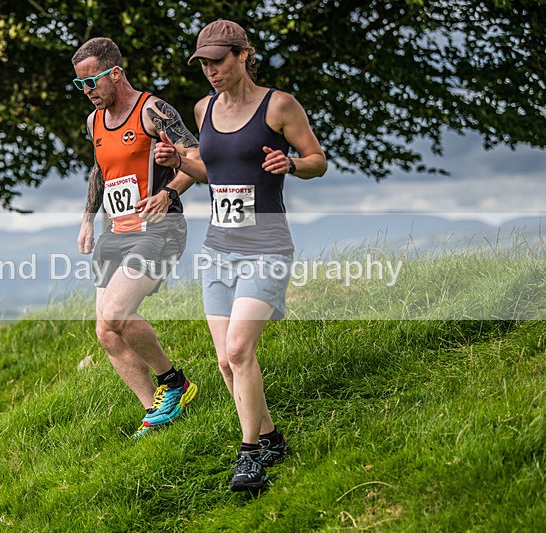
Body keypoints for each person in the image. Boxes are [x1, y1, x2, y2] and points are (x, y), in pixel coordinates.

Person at [155, 19, 328, 491]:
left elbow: (318, 159)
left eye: (218, 61)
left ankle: (249, 454)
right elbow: (215, 171)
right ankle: (270, 436)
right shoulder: (203, 108)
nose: (211, 71)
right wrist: (180, 164)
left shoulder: (279, 105)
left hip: (267, 246)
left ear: (243, 55)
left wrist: (290, 164)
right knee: (225, 362)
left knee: (239, 348)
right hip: (218, 250)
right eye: (204, 63)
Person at [71, 37, 201, 439]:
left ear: (115, 73)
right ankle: (157, 411)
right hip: (117, 232)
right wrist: (88, 219)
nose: (87, 92)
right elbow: (100, 170)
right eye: (80, 85)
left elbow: (196, 159)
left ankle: (173, 381)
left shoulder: (153, 111)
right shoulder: (94, 122)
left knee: (116, 313)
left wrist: (169, 192)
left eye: (91, 82)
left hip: (160, 229)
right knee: (105, 330)